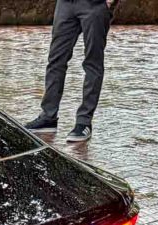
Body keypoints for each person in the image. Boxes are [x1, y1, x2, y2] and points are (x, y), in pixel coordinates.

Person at [25, 0, 118, 143]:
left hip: (95, 5)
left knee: (92, 63)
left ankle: (84, 122)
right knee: (56, 60)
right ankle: (48, 117)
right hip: (65, 4)